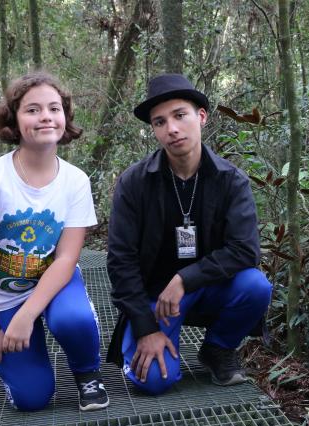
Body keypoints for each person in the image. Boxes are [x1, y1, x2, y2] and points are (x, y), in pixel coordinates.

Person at [107, 73, 272, 395]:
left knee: (256, 286)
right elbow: (120, 261)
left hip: (208, 289)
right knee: (153, 381)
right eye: (159, 122)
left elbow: (245, 250)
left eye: (180, 115)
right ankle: (157, 339)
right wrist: (145, 328)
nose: (171, 128)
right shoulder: (135, 183)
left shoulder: (230, 180)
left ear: (202, 117)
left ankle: (218, 348)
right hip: (155, 298)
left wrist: (184, 279)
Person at [0, 72, 108, 412]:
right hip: (4, 294)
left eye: (54, 108)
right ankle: (26, 372)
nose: (45, 117)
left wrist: (28, 315)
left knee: (73, 319)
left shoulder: (75, 181)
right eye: (32, 109)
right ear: (14, 119)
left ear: (65, 117)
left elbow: (66, 258)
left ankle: (87, 373)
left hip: (54, 283)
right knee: (32, 399)